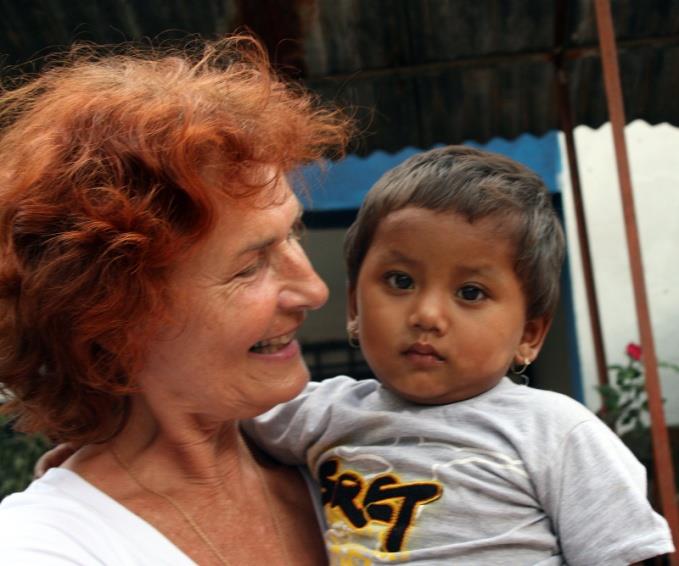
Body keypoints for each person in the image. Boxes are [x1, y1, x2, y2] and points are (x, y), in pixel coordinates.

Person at [0, 36, 351, 564]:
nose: (314, 291)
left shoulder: (348, 452)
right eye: (250, 264)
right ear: (115, 313)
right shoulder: (48, 548)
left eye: (292, 233)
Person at [243, 146, 675, 565]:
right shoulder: (319, 413)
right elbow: (201, 409)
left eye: (470, 292)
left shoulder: (556, 432)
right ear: (354, 307)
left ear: (529, 334)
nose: (427, 315)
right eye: (399, 280)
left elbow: (627, 553)